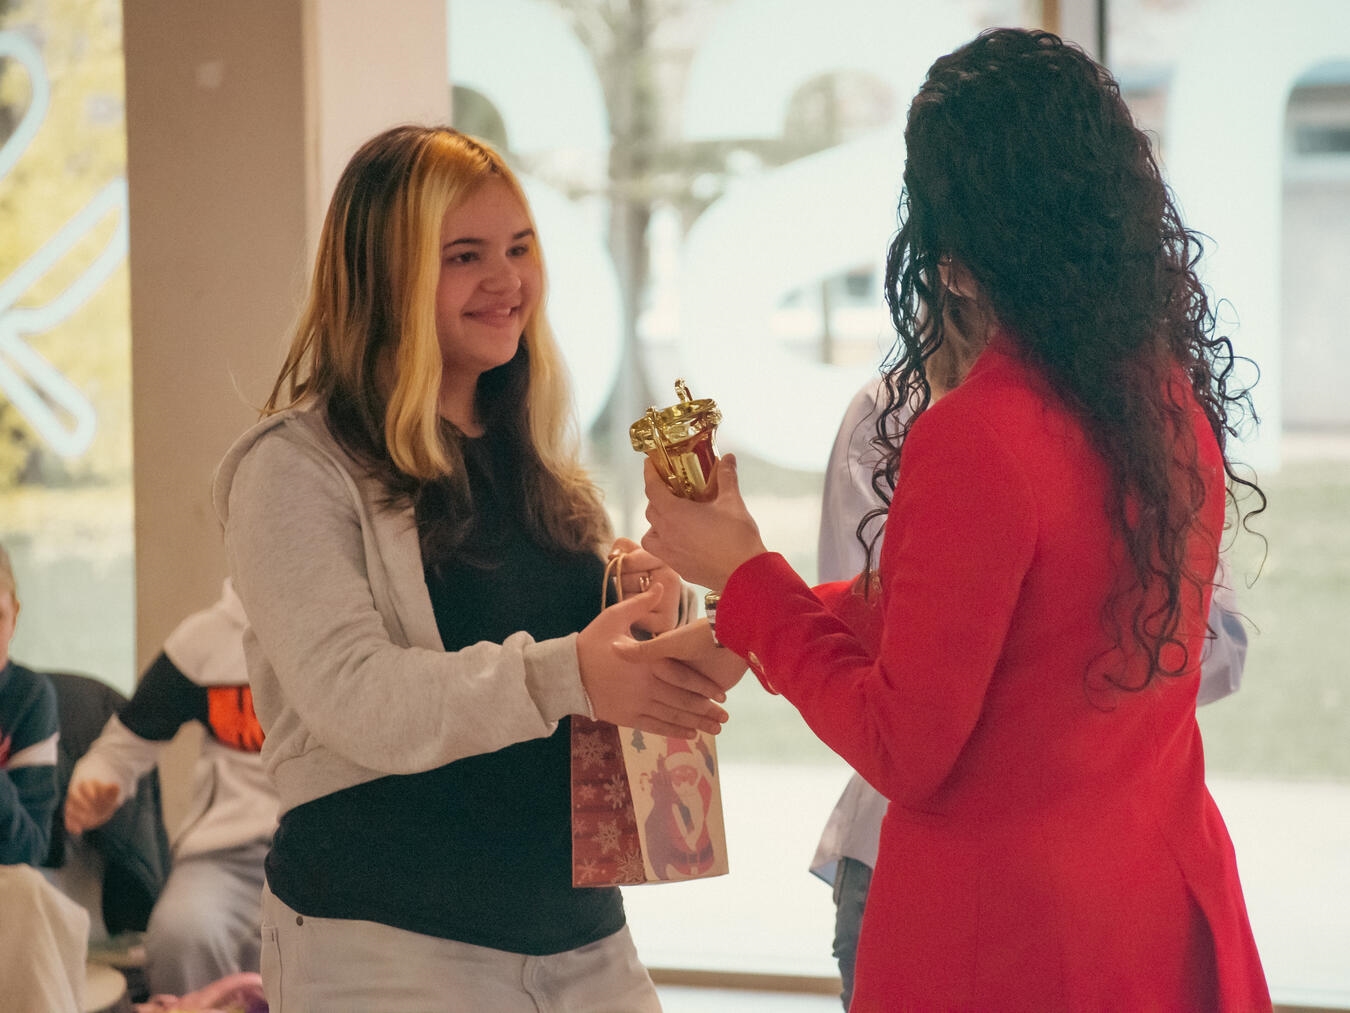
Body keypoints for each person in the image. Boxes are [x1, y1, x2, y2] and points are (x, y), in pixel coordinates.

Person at [635, 28, 1272, 1010]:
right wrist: (747, 615)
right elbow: (998, 624)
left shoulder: (980, 435)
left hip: (1012, 940)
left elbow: (905, 746)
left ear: (957, 247)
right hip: (1152, 900)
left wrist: (747, 575)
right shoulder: (1164, 402)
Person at [211, 125, 727, 1012]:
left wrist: (651, 609)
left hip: (586, 944)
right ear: (384, 275)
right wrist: (571, 670)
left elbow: (580, 677)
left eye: (519, 248)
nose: (507, 280)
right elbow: (354, 695)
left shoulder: (538, 462)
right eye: (465, 256)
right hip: (388, 948)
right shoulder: (293, 468)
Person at [812, 375, 1253, 1010]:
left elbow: (904, 714)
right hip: (1123, 880)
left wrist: (754, 594)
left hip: (1029, 901)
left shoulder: (984, 426)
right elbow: (884, 620)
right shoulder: (1162, 406)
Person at [63, 578, 276, 998]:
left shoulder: (353, 630)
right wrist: (94, 784)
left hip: (334, 842)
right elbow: (123, 746)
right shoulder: (204, 640)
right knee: (180, 935)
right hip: (227, 853)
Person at [0, 540, 88, 1013]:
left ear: (14, 615)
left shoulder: (29, 697)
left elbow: (28, 847)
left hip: (10, 883)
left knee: (28, 895)